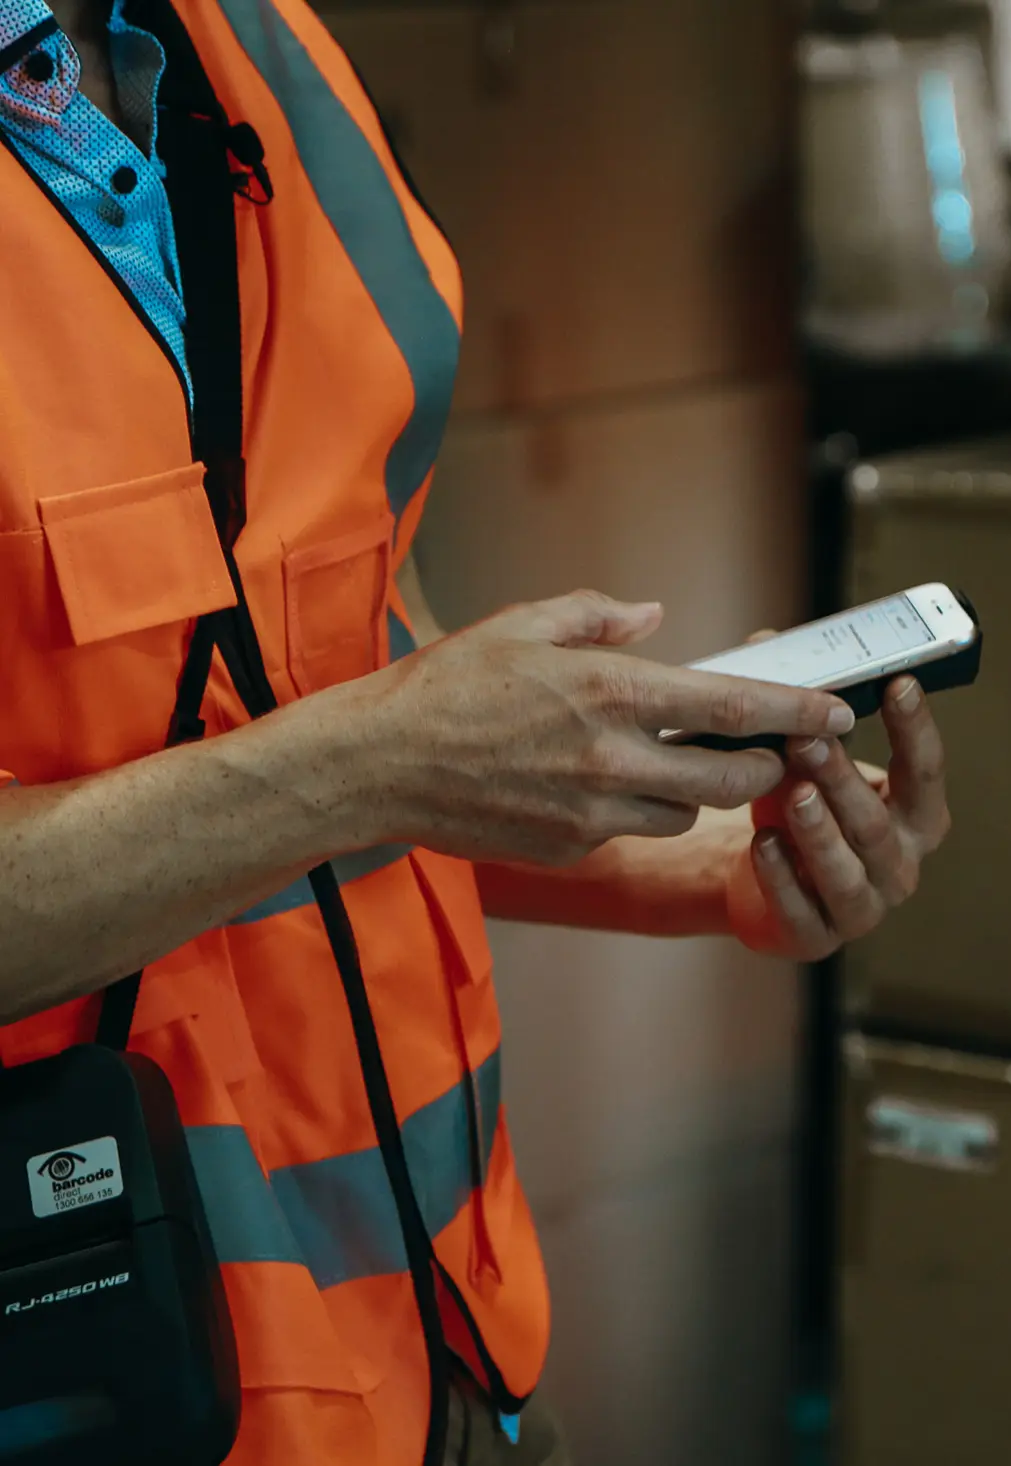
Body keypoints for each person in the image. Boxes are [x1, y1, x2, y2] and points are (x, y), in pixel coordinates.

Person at [0, 2, 953, 1463]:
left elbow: (334, 668)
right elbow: (365, 749)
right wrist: (388, 754)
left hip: (439, 1354)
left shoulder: (261, 49)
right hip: (103, 1390)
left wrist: (694, 840)